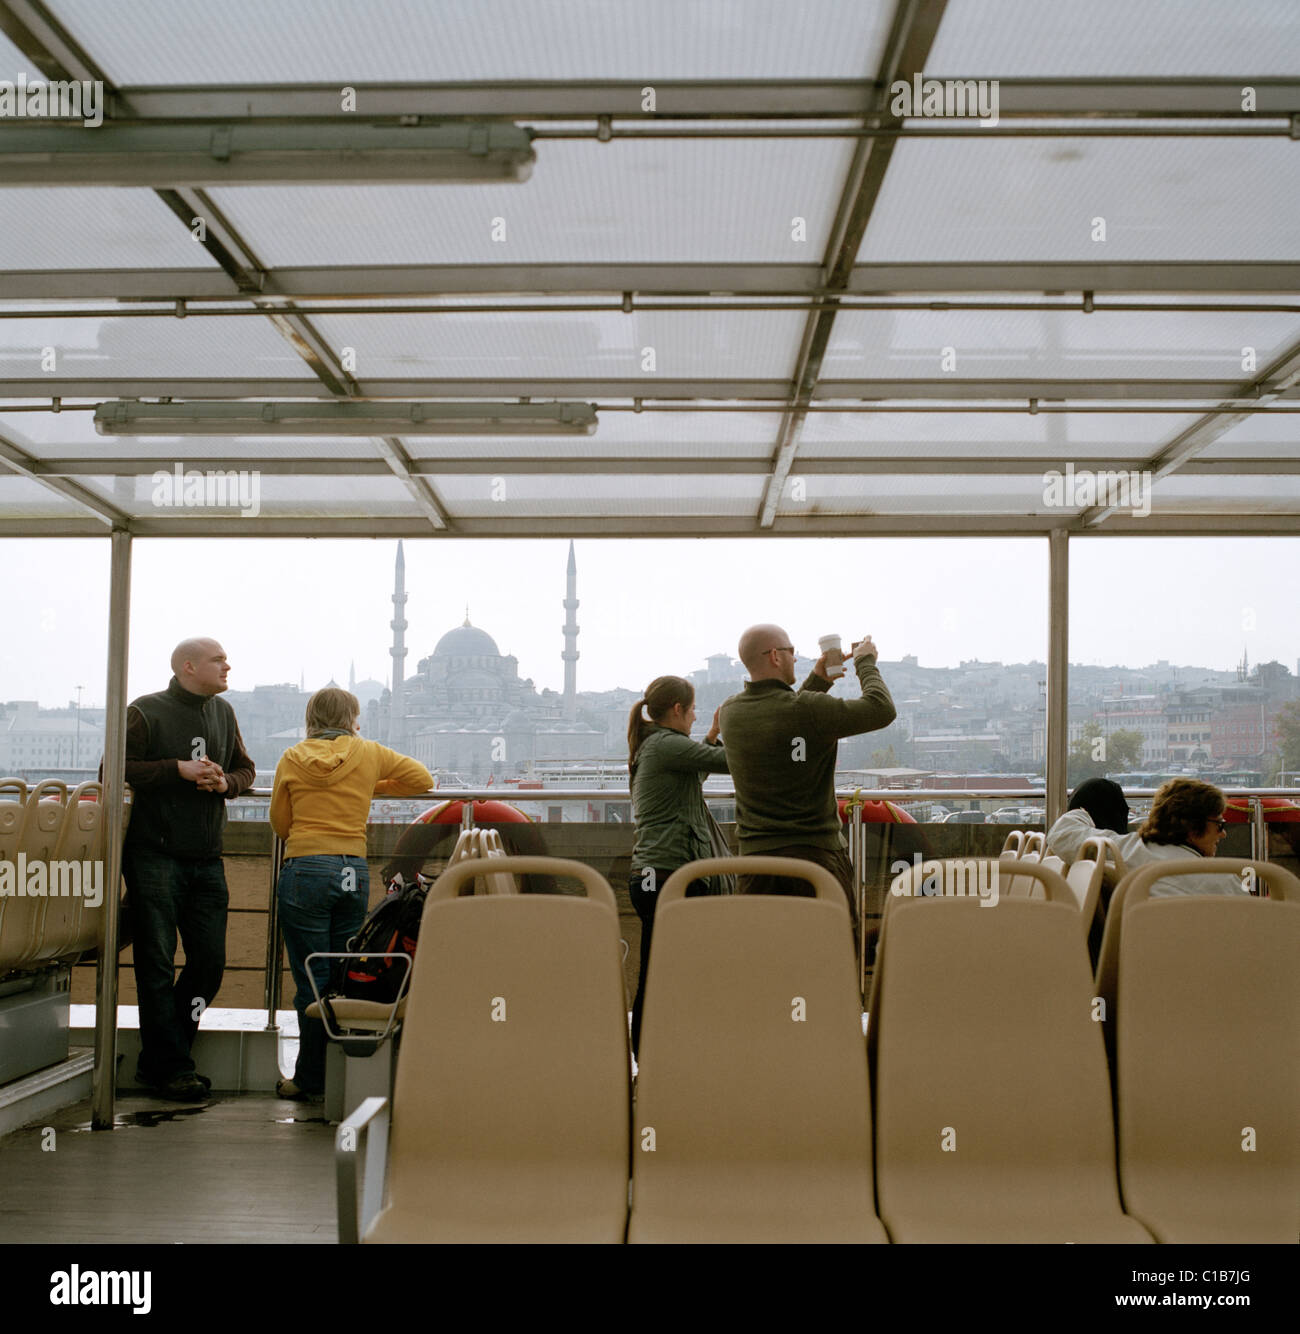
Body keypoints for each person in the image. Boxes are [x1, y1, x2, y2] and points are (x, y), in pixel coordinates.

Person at [269, 687, 432, 1099]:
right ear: (352, 718)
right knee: (343, 971)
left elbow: (280, 823)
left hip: (306, 867)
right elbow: (421, 779)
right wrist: (368, 787)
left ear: (311, 718)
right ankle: (345, 1075)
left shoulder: (291, 757)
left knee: (311, 975)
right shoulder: (369, 753)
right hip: (351, 870)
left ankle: (310, 1079)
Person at [121, 637, 255, 1100]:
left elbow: (246, 770)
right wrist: (175, 769)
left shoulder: (224, 714)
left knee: (209, 964)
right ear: (188, 666)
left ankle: (159, 1060)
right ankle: (174, 1066)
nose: (228, 666)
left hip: (206, 860)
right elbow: (114, 768)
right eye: (219, 659)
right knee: (155, 963)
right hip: (153, 856)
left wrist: (225, 783)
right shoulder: (145, 711)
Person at [719, 625, 896, 938]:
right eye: (791, 652)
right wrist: (865, 662)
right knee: (830, 961)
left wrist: (819, 681)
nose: (796, 659)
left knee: (763, 963)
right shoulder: (808, 710)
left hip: (755, 868)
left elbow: (785, 716)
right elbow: (881, 709)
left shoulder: (732, 713)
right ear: (775, 656)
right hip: (817, 862)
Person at [626, 676, 729, 1057]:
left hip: (652, 874)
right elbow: (728, 764)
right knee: (662, 972)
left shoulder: (656, 747)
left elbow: (697, 771)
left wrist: (713, 734)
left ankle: (655, 1053)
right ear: (677, 710)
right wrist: (737, 733)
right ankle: (652, 1056)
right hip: (669, 874)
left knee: (658, 968)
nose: (696, 716)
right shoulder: (667, 745)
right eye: (693, 710)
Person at [1047, 777, 1245, 898]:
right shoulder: (1223, 881)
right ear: (1192, 828)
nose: (1223, 833)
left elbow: (1062, 833)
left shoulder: (1121, 851)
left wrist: (1084, 812)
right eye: (1219, 824)